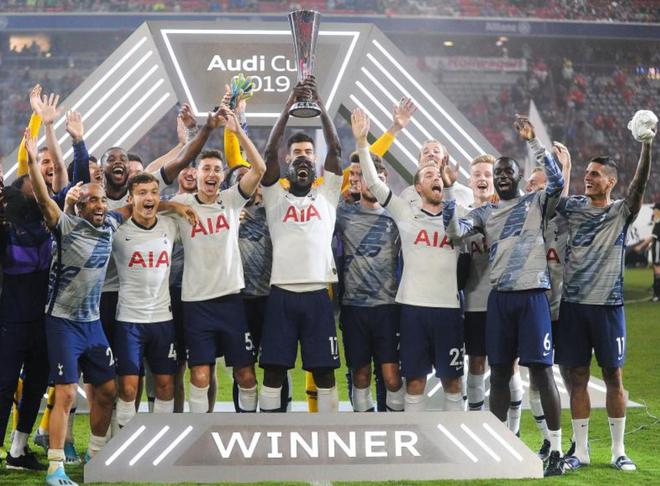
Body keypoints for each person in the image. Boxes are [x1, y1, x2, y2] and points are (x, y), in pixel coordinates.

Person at [443, 115, 565, 476]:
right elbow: (454, 233)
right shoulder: (484, 212)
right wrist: (449, 191)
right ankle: (497, 448)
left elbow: (558, 181)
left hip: (532, 296)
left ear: (517, 175)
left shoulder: (536, 202)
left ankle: (556, 450)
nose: (501, 177)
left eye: (507, 172)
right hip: (500, 299)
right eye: (498, 173)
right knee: (497, 373)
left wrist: (534, 142)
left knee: (541, 372)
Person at [556, 110, 656, 472]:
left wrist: (646, 146)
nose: (588, 178)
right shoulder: (573, 208)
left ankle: (618, 451)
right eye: (586, 174)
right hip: (573, 306)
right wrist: (565, 169)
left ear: (611, 182)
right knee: (577, 378)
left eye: (595, 174)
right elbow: (554, 199)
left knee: (614, 377)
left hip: (609, 307)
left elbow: (639, 187)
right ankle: (581, 451)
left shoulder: (620, 212)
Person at [352, 108, 464, 412]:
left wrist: (451, 189)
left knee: (453, 383)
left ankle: (452, 440)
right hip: (412, 308)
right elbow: (374, 184)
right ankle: (416, 438)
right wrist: (362, 143)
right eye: (428, 175)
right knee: (414, 381)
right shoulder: (405, 213)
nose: (435, 177)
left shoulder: (459, 215)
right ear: (417, 187)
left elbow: (459, 232)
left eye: (438, 174)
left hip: (449, 309)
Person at [171, 107, 266, 414]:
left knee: (245, 375)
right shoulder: (182, 203)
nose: (211, 174)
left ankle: (248, 429)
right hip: (196, 303)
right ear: (196, 174)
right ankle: (200, 433)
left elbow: (260, 169)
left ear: (222, 176)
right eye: (206, 169)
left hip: (230, 301)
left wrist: (238, 133)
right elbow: (146, 201)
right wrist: (170, 206)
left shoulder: (231, 199)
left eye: (216, 170)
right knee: (199, 376)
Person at [257, 77, 343, 413]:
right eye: (297, 160)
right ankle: (268, 429)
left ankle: (329, 432)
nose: (303, 162)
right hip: (281, 293)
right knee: (274, 371)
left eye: (308, 159)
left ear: (316, 166)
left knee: (324, 372)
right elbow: (268, 152)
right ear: (287, 166)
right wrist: (288, 105)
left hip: (318, 294)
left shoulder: (327, 195)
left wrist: (319, 103)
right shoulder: (275, 196)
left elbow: (335, 149)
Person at [112, 172, 197, 428]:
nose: (149, 198)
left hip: (162, 319)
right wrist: (172, 204)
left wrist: (173, 207)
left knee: (165, 385)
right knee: (128, 388)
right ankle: (123, 444)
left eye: (153, 193)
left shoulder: (169, 225)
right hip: (128, 320)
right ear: (130, 199)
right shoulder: (118, 230)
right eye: (142, 193)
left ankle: (160, 443)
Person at [335, 151, 404, 412]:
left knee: (392, 377)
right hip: (354, 308)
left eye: (378, 179)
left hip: (388, 308)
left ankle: (395, 430)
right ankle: (364, 429)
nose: (373, 184)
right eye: (367, 178)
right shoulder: (343, 214)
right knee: (360, 374)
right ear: (358, 181)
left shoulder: (398, 216)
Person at [524, 141, 573, 461]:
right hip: (535, 308)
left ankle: (576, 441)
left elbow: (561, 197)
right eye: (529, 183)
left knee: (570, 374)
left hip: (563, 308)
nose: (529, 186)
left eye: (536, 183)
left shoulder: (566, 220)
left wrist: (565, 169)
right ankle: (546, 439)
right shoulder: (523, 217)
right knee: (536, 374)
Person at [0, 175, 51, 471]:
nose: (40, 184)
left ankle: (18, 451)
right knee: (4, 386)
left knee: (35, 386)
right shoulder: (6, 226)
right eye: (33, 181)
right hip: (11, 318)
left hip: (43, 320)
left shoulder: (49, 218)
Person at [399, 139, 474, 208]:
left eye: (436, 151)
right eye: (425, 152)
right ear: (419, 163)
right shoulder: (408, 196)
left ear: (445, 160)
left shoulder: (465, 194)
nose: (431, 154)